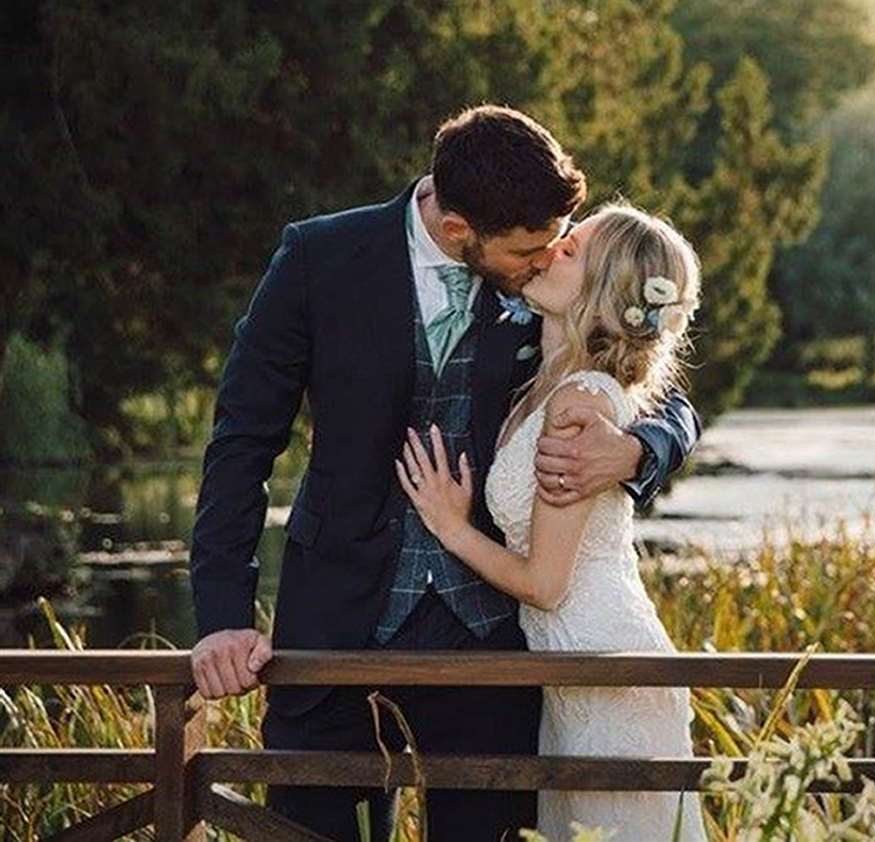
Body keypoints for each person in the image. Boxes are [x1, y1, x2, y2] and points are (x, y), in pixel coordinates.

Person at [189, 105, 702, 842]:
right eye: (529, 250)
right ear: (460, 230)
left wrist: (637, 451)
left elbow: (663, 389)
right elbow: (241, 441)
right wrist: (224, 618)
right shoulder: (317, 259)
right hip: (334, 623)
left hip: (492, 640)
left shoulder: (546, 270)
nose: (546, 258)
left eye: (557, 243)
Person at [398, 200, 709, 842]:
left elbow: (546, 584)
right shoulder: (551, 381)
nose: (555, 247)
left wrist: (452, 526)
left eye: (575, 250)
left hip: (604, 666)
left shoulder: (579, 401)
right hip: (568, 668)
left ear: (603, 290)